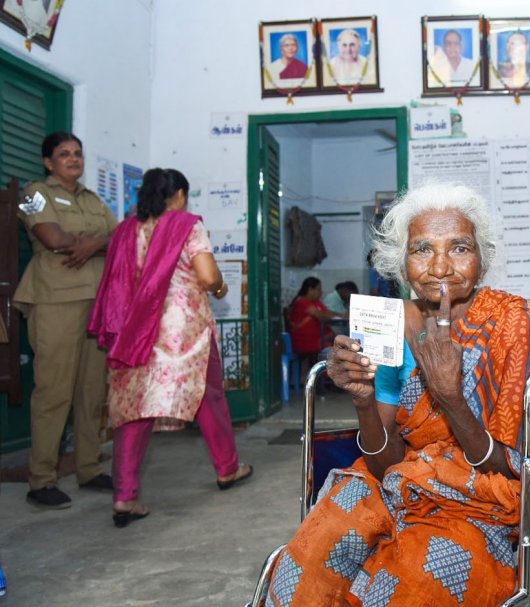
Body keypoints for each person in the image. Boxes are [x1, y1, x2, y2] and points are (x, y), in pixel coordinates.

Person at [265, 182, 530, 605]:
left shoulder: (512, 322)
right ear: (402, 262)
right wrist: (364, 401)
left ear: (482, 258)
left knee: (413, 581)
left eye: (459, 247)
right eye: (422, 249)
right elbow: (385, 464)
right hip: (401, 479)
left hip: (483, 497)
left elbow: (515, 470)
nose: (440, 266)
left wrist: (450, 397)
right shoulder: (389, 324)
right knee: (310, 555)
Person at [87, 168, 253, 528]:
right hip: (181, 330)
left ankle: (124, 496)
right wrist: (222, 289)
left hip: (134, 329)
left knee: (134, 411)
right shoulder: (186, 224)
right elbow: (208, 276)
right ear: (179, 194)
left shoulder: (125, 230)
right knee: (208, 397)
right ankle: (228, 469)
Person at [13, 132, 117, 509]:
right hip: (55, 301)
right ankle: (41, 479)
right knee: (53, 392)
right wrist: (97, 241)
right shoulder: (34, 193)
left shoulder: (91, 198)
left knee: (91, 392)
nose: (73, 159)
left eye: (77, 153)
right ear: (48, 162)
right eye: (63, 154)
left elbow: (120, 236)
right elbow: (51, 236)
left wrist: (92, 243)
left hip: (96, 302)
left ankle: (88, 468)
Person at [285, 276, 348, 377]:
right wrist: (338, 316)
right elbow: (321, 316)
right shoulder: (302, 302)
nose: (321, 292)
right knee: (330, 349)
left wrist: (341, 315)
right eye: (318, 289)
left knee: (337, 345)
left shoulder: (316, 302)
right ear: (310, 289)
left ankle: (332, 380)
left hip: (317, 338)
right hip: (304, 341)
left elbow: (326, 312)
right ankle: (328, 380)